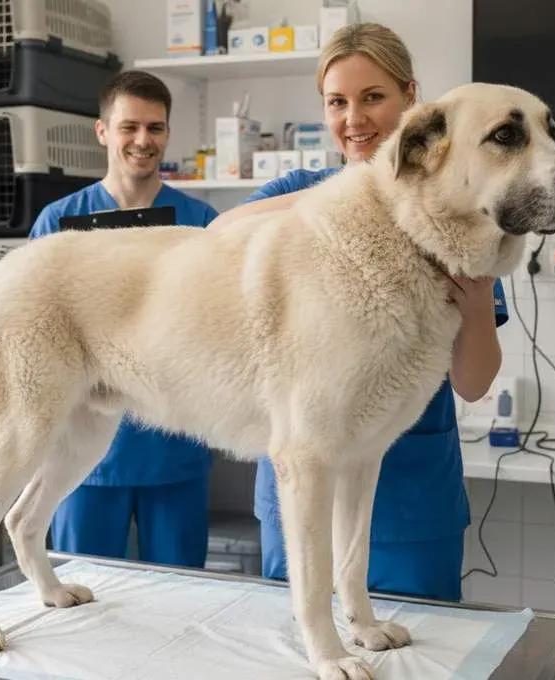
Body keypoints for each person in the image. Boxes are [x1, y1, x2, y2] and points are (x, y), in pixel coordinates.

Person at [210, 22, 510, 602]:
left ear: (411, 98)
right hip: (302, 495)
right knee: (300, 644)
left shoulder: (457, 212)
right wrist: (350, 195)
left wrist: (476, 304)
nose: (354, 119)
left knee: (419, 643)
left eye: (373, 97)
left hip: (410, 506)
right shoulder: (300, 190)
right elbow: (221, 232)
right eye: (337, 102)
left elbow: (473, 385)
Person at [28, 70, 220, 569]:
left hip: (175, 448)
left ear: (168, 134)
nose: (142, 140)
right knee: (83, 592)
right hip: (84, 458)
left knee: (181, 594)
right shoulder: (57, 223)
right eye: (129, 127)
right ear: (102, 131)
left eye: (155, 128)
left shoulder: (202, 223)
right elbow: (37, 334)